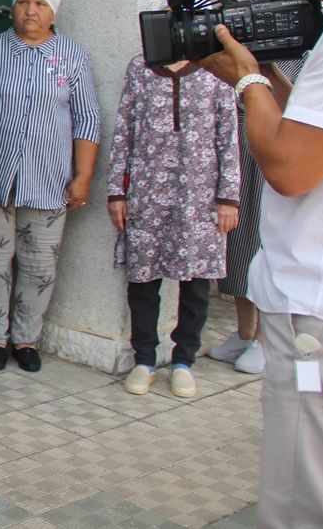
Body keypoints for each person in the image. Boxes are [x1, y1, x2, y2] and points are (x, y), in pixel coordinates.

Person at [198, 0, 323, 526]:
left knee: (298, 503)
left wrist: (249, 75)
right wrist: (245, 78)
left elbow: (290, 167)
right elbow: (305, 135)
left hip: (314, 314)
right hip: (315, 311)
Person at [0, 0, 101, 372]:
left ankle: (26, 340)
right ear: (12, 8)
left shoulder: (72, 55)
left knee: (38, 266)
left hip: (50, 182)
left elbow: (88, 119)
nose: (31, 10)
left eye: (40, 4)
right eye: (23, 2)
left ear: (52, 11)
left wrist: (82, 177)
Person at [107, 44, 240, 399]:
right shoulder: (140, 65)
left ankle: (183, 361)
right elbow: (124, 131)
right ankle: (145, 360)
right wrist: (116, 192)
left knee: (196, 281)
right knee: (143, 277)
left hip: (200, 194)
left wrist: (228, 197)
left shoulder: (218, 68)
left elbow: (229, 135)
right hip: (147, 191)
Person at [208, 59, 301, 376]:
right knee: (237, 240)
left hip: (276, 142)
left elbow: (298, 104)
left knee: (265, 240)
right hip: (240, 138)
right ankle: (245, 332)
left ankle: (265, 339)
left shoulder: (306, 48)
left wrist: (270, 70)